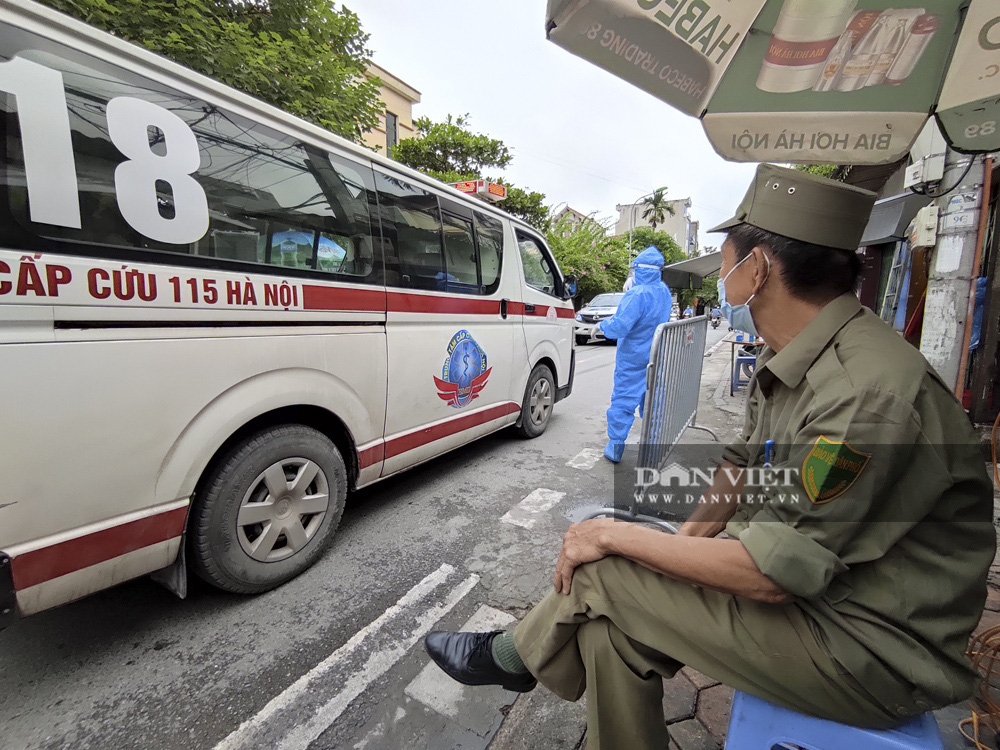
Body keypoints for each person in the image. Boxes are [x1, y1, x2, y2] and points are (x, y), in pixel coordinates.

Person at [423, 164, 996, 749]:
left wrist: (612, 539)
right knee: (607, 630)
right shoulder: (799, 354)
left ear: (759, 268)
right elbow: (740, 467)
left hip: (871, 646)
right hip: (829, 600)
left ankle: (514, 654)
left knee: (605, 568)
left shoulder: (865, 393)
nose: (721, 277)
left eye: (725, 261)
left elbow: (775, 575)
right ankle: (528, 658)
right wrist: (677, 551)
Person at [591, 246, 672, 463]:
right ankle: (654, 449)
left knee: (623, 400)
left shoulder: (636, 294)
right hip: (656, 355)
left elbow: (620, 326)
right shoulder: (664, 291)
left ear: (639, 270)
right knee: (653, 401)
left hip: (633, 356)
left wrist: (601, 325)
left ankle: (616, 446)